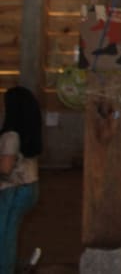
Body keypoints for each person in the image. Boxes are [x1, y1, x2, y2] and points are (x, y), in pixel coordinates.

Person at [1, 87, 43, 273]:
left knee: (4, 235)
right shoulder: (29, 133)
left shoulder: (11, 135)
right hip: (30, 186)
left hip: (12, 188)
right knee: (10, 232)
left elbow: (5, 168)